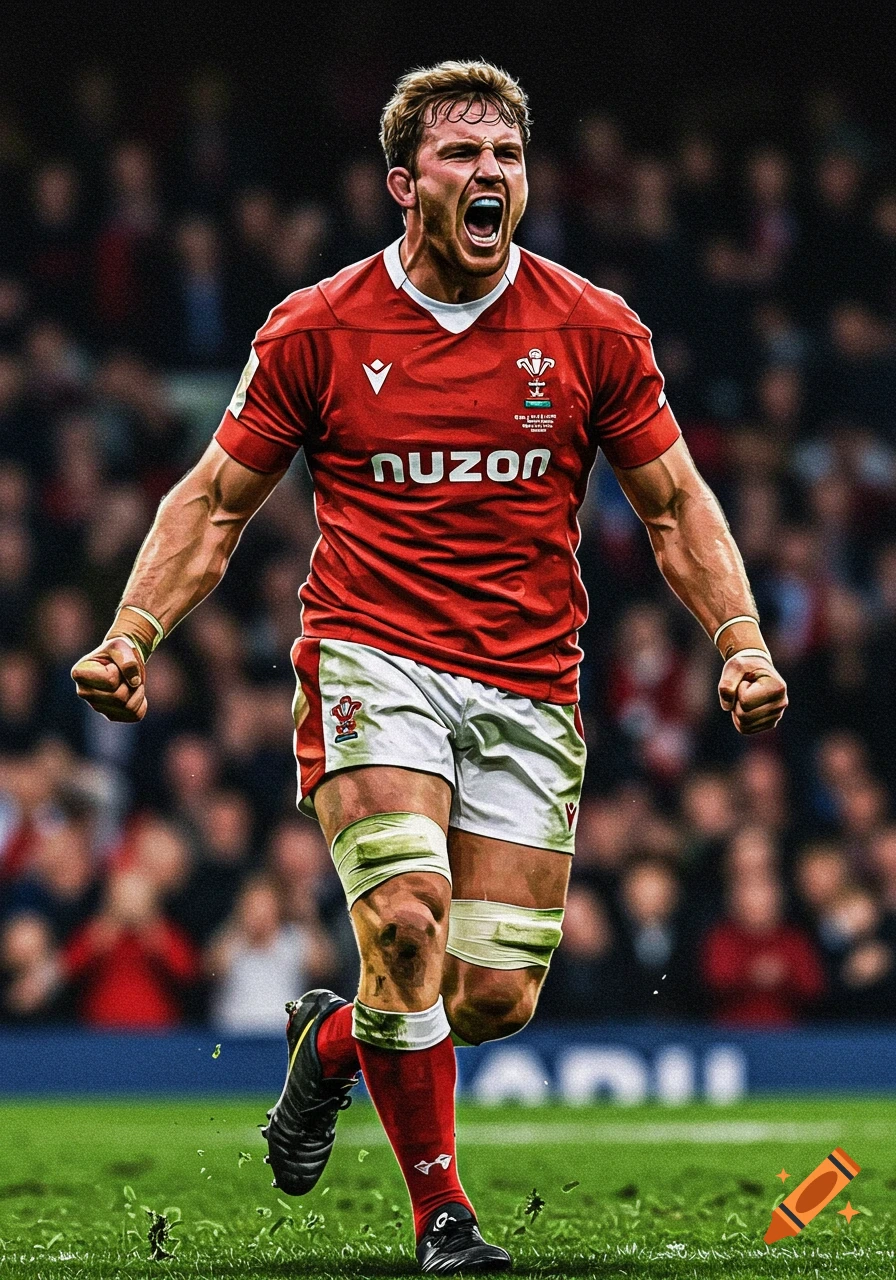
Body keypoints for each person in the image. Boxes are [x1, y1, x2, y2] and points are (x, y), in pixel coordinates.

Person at [71, 60, 788, 1275]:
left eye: (505, 156)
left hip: (526, 676)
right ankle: (441, 1215)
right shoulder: (318, 326)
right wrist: (132, 631)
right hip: (371, 653)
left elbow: (672, 507)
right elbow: (214, 502)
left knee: (492, 994)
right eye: (462, 156)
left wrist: (740, 640)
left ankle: (335, 1047)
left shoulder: (591, 327)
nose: (489, 175)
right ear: (403, 182)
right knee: (405, 917)